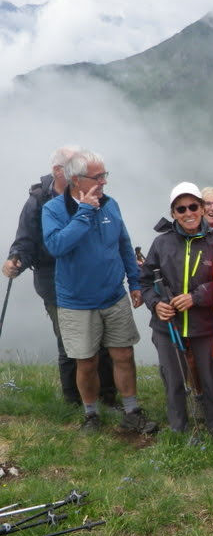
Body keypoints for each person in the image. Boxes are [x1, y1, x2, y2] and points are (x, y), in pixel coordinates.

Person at [41, 149, 157, 434]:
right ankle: (91, 415)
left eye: (105, 175)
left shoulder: (110, 205)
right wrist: (84, 212)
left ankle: (132, 411)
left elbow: (123, 244)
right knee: (87, 361)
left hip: (113, 296)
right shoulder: (53, 210)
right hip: (76, 302)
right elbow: (56, 246)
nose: (104, 181)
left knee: (123, 354)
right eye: (98, 176)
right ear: (76, 179)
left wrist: (135, 282)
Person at [3, 146, 117, 406]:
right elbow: (26, 241)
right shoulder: (38, 201)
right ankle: (72, 400)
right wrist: (15, 261)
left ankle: (108, 396)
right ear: (58, 171)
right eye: (75, 165)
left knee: (101, 339)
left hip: (89, 278)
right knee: (69, 341)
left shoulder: (92, 194)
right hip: (53, 280)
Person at [140, 182, 213, 437]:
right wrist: (156, 304)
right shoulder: (161, 243)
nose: (188, 213)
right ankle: (178, 431)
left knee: (211, 379)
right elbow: (145, 281)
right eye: (181, 209)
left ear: (202, 208)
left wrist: (196, 297)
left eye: (193, 206)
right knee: (174, 380)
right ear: (173, 213)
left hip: (206, 324)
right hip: (167, 325)